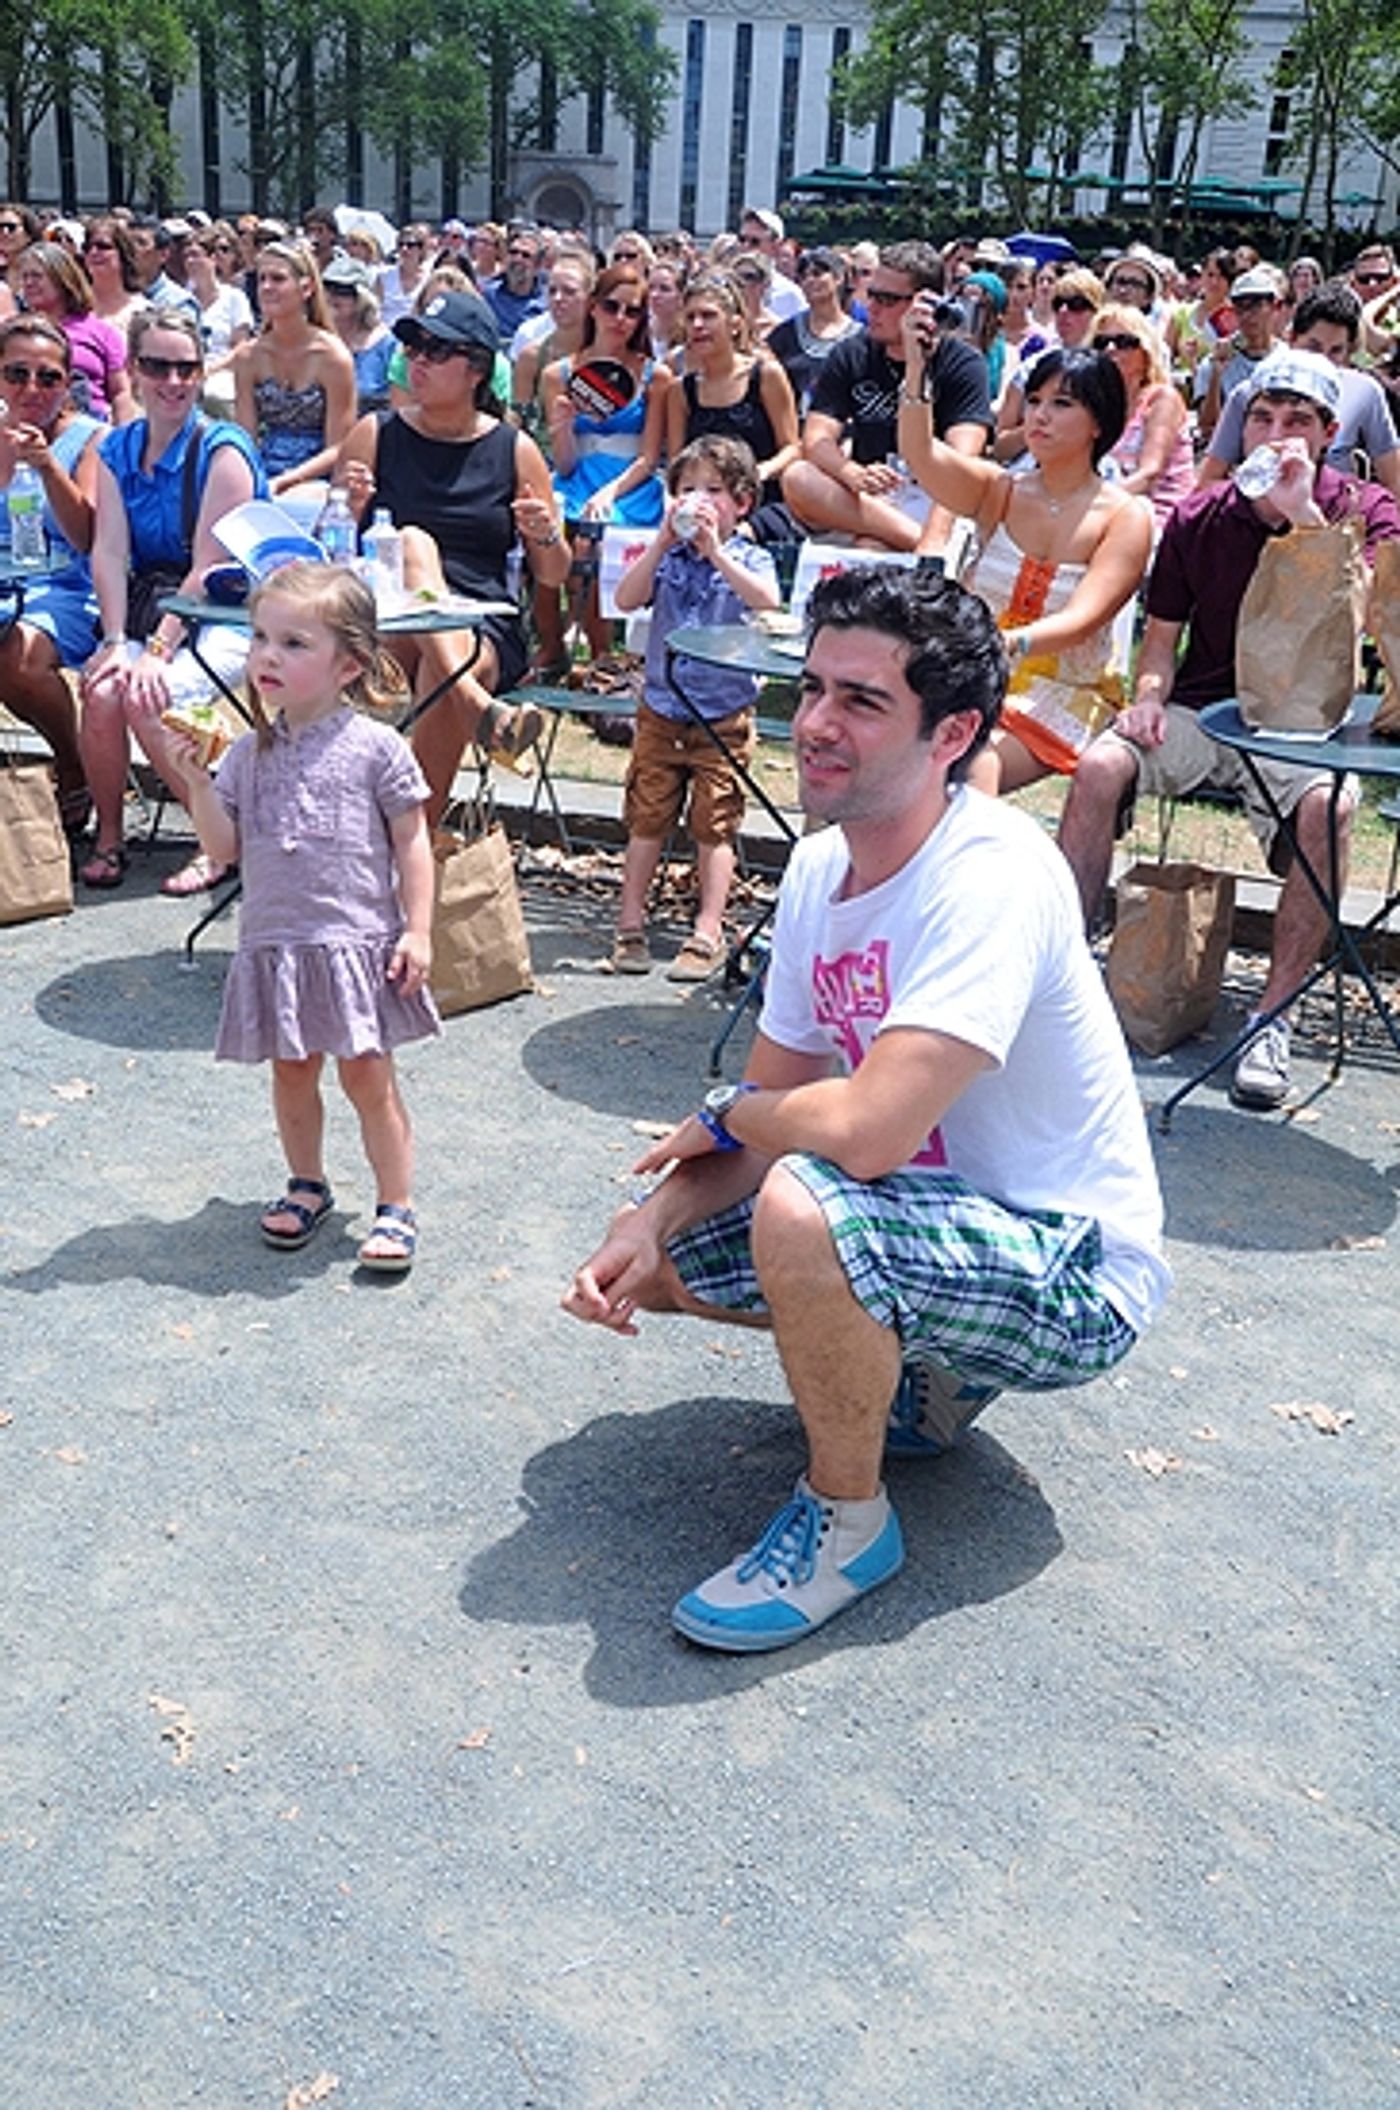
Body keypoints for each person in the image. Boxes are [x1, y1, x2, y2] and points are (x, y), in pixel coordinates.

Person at [563, 565, 1170, 1652]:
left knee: (801, 1203)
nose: (817, 725)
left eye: (862, 701)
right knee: (678, 1250)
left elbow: (849, 1131)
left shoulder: (991, 874)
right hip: (931, 1220)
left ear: (953, 736)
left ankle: (848, 1521)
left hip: (1073, 1269)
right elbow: (778, 1095)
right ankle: (927, 1382)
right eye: (813, 691)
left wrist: (732, 1112)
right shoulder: (816, 871)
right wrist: (646, 1225)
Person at [1058, 350, 1400, 1112]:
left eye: (1298, 422)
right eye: (1264, 419)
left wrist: (1307, 520)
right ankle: (1064, 979)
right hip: (1207, 711)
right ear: (1240, 427)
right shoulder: (1198, 514)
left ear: (1329, 432)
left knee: (1332, 810)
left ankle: (1272, 1015)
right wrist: (1148, 698)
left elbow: (1371, 629)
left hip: (1304, 726)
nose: (1278, 436)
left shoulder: (1367, 509)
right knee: (1098, 767)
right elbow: (1159, 644)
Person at [163, 562, 436, 1273]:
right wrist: (196, 781)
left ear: (348, 664)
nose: (266, 657)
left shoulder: (379, 748)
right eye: (260, 638)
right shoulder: (248, 756)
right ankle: (307, 1183)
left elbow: (413, 843)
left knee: (368, 1077)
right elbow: (222, 849)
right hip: (279, 945)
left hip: (356, 944)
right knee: (291, 1072)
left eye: (292, 643)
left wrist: (418, 929)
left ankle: (396, 1203)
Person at [334, 287, 569, 817]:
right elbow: (333, 556)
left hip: (482, 621)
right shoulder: (375, 434)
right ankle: (481, 719)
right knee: (413, 543)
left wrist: (544, 533)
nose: (418, 361)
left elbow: (552, 575)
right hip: (385, 620)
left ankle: (409, 838)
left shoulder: (514, 449)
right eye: (413, 348)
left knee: (447, 665)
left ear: (477, 370)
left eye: (437, 351)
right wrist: (348, 511)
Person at [898, 329, 1151, 792]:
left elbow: (1082, 620)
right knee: (867, 747)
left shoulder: (1125, 516)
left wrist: (1005, 644)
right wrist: (917, 369)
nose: (1039, 416)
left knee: (972, 765)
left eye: (1061, 404)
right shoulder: (999, 489)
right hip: (971, 674)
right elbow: (921, 454)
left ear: (1099, 423)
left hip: (1064, 694)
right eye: (1034, 400)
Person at [79, 308, 267, 893]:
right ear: (134, 369)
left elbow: (209, 569)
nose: (174, 381)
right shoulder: (117, 447)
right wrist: (115, 643)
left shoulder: (222, 450)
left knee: (146, 694)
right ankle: (109, 836)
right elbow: (108, 552)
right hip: (153, 604)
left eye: (187, 367)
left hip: (227, 612)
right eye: (158, 366)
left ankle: (218, 842)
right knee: (104, 687)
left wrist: (156, 652)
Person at [608, 436, 779, 981]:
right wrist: (661, 542)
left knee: (715, 823)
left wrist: (717, 553)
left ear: (742, 502)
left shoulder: (750, 557)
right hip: (663, 706)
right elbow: (625, 600)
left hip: (723, 715)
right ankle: (629, 924)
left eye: (712, 491)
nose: (698, 501)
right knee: (647, 816)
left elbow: (766, 602)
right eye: (686, 490)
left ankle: (707, 928)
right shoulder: (667, 556)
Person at [783, 240, 992, 558]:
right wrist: (849, 471)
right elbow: (816, 439)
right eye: (872, 295)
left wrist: (934, 541)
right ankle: (909, 540)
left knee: (871, 546)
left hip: (935, 498)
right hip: (872, 499)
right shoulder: (852, 352)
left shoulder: (963, 363)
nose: (872, 308)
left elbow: (962, 462)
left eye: (887, 299)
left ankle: (918, 546)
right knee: (798, 477)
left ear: (926, 303)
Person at [538, 262, 674, 665]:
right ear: (594, 307)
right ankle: (553, 644)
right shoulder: (557, 374)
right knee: (547, 534)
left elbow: (650, 457)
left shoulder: (655, 376)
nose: (621, 319)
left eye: (633, 312)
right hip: (576, 476)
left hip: (630, 482)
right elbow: (563, 465)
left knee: (592, 537)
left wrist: (608, 493)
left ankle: (602, 654)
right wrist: (561, 429)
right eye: (612, 307)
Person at [0, 315, 105, 833]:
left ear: (68, 383)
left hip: (64, 582)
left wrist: (45, 467)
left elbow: (86, 534)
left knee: (16, 655)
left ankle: (72, 764)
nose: (31, 389)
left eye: (48, 378)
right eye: (16, 374)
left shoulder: (88, 439)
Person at [1197, 283, 1400, 498]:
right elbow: (1208, 480)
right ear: (1292, 339)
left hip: (1333, 518)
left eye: (1336, 351)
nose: (1323, 361)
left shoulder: (1365, 391)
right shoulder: (1251, 393)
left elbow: (1394, 478)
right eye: (1313, 348)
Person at [665, 270, 800, 546]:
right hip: (702, 502)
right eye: (690, 318)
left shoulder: (766, 375)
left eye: (709, 316)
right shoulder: (681, 390)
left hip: (762, 500)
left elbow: (793, 447)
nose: (698, 325)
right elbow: (676, 462)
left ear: (735, 324)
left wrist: (761, 471)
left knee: (738, 540)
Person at [232, 240, 356, 492]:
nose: (266, 287)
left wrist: (289, 480)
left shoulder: (333, 357)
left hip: (317, 479)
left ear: (307, 288)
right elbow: (245, 438)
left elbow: (339, 446)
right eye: (262, 279)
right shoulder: (248, 357)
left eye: (278, 279)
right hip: (263, 471)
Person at [1092, 304, 1194, 526]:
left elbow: (1149, 473)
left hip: (1159, 519)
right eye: (1101, 343)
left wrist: (1090, 506)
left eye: (1124, 342)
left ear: (1145, 353)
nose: (1110, 349)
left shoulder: (1161, 399)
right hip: (1110, 515)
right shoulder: (1095, 407)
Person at [13, 242, 134, 424]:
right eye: (25, 277)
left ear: (62, 279)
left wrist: (123, 439)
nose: (29, 283)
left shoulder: (101, 332)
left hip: (88, 426)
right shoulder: (15, 333)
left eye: (37, 276)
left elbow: (120, 392)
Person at [766, 247, 862, 416]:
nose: (810, 280)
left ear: (838, 278)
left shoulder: (861, 337)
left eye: (817, 274)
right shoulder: (784, 335)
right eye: (803, 276)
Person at [1195, 264, 1285, 441]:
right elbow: (1207, 427)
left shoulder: (1288, 360)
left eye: (1256, 305)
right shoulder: (1214, 361)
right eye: (1240, 307)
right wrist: (1216, 376)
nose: (1247, 315)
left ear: (1275, 307)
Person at [322, 255, 396, 414]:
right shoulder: (316, 339)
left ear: (362, 298)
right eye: (327, 287)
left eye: (343, 291)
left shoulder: (387, 345)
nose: (332, 297)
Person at [82, 217, 146, 343]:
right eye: (87, 247)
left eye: (103, 246)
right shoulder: (73, 306)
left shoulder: (142, 312)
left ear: (123, 254)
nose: (94, 252)